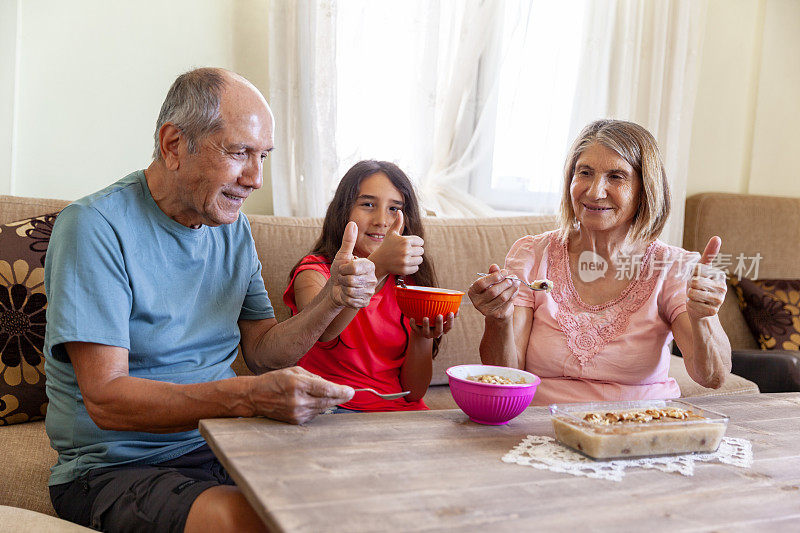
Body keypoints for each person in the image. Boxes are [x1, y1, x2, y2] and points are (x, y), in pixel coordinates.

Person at [43, 68, 378, 532]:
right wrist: (248, 398)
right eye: (239, 152)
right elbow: (106, 400)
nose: (256, 178)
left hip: (222, 443)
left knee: (363, 490)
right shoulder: (94, 227)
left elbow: (262, 352)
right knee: (253, 521)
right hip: (115, 468)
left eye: (263, 156)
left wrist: (333, 300)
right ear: (174, 145)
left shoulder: (232, 229)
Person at [468, 119, 731, 405]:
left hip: (640, 428)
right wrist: (498, 319)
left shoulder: (671, 267)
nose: (594, 191)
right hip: (544, 425)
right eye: (585, 173)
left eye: (616, 176)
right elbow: (506, 376)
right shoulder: (533, 255)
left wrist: (702, 318)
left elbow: (712, 378)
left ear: (645, 189)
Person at [283, 160, 455, 411]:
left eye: (394, 208)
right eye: (368, 204)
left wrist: (421, 336)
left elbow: (413, 392)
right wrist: (378, 267)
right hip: (332, 408)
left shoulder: (411, 282)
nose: (382, 220)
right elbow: (321, 332)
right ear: (343, 211)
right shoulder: (313, 272)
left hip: (399, 413)